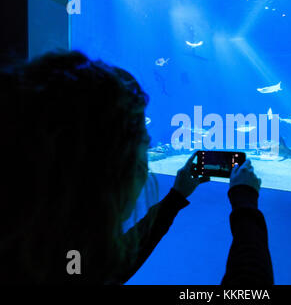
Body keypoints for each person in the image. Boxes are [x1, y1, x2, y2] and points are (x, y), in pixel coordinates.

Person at [0, 50, 273, 285]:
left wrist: (176, 197)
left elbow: (103, 271)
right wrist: (245, 203)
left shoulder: (52, 254)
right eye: (142, 150)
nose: (143, 171)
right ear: (107, 172)